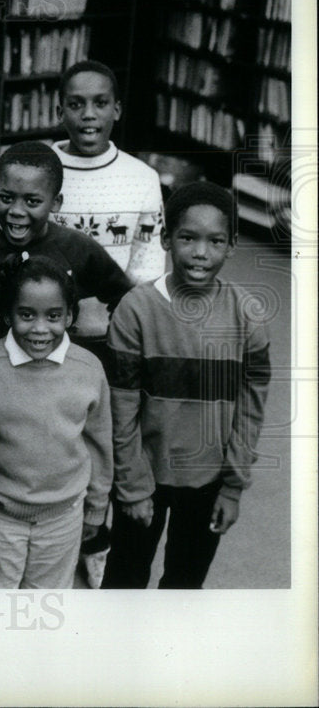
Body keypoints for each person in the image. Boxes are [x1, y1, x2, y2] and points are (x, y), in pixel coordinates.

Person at [102, 182, 270, 589]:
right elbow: (120, 411)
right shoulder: (136, 310)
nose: (200, 253)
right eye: (188, 238)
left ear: (231, 246)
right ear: (165, 239)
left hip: (208, 481)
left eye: (215, 241)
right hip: (145, 475)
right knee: (124, 580)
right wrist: (133, 487)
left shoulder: (247, 315)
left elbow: (251, 410)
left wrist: (232, 488)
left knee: (185, 585)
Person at [50, 60, 166, 589]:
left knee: (104, 445)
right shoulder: (43, 167)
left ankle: (94, 553)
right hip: (46, 335)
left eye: (100, 103)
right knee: (50, 443)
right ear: (61, 109)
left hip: (108, 340)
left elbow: (145, 278)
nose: (88, 114)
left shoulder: (141, 180)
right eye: (76, 103)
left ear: (117, 109)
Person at [0, 255, 112, 589]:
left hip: (63, 518)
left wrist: (96, 509)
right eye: (26, 315)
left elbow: (99, 443)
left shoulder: (88, 369)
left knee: (46, 609)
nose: (40, 328)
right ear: (7, 314)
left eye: (54, 316)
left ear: (70, 316)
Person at [0, 140, 132, 357]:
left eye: (32, 201)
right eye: (6, 198)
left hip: (54, 379)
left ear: (56, 203)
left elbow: (127, 300)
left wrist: (108, 352)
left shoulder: (77, 248)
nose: (17, 211)